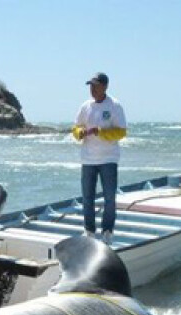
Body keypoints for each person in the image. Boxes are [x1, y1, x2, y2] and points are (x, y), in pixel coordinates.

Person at [72, 72, 127, 241]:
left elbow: (121, 132)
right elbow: (75, 128)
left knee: (109, 197)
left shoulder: (114, 105)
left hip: (108, 159)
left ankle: (107, 231)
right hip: (88, 159)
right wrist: (80, 133)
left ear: (105, 87)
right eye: (91, 86)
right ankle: (89, 230)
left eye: (96, 86)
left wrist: (100, 132)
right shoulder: (85, 106)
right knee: (87, 197)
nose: (92, 89)